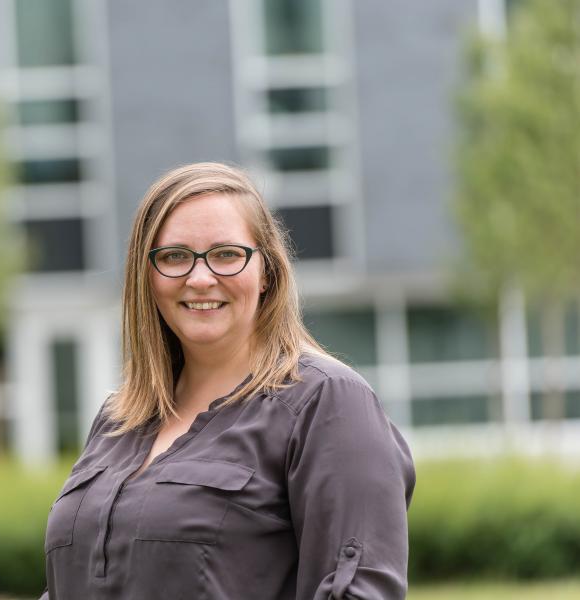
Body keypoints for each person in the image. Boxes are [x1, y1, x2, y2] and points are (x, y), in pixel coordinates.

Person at [39, 162, 416, 599]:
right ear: (147, 277)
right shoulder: (117, 419)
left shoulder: (326, 402)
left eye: (226, 255)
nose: (200, 278)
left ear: (267, 273)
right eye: (174, 256)